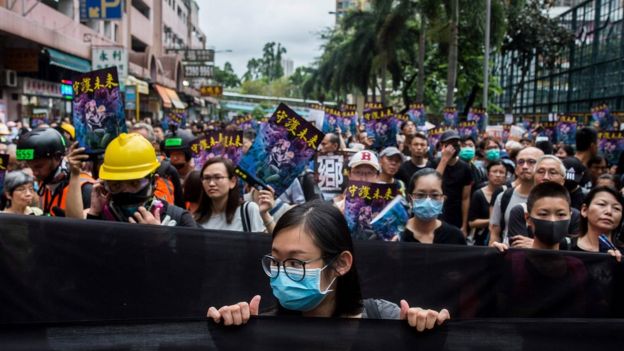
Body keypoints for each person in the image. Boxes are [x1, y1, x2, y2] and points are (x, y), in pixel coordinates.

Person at [207, 200, 450, 330]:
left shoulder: (385, 320)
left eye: (295, 262)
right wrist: (231, 333)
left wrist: (426, 329)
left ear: (341, 263)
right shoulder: (265, 326)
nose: (281, 273)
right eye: (276, 260)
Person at [65, 133, 196, 227]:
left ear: (154, 181)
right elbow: (74, 234)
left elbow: (194, 263)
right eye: (116, 185)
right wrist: (94, 213)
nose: (126, 191)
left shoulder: (179, 219)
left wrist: (161, 240)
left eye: (134, 183)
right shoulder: (100, 214)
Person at [505, 156, 581, 248]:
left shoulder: (575, 215)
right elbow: (519, 245)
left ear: (562, 180)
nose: (545, 177)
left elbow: (577, 245)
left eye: (552, 172)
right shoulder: (519, 211)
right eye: (540, 172)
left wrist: (534, 244)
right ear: (528, 217)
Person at [16, 127, 93, 216]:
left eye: (39, 166)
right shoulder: (45, 183)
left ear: (57, 157)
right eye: (31, 167)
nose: (35, 173)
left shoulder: (86, 188)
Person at [195, 157, 274, 233]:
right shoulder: (196, 219)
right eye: (207, 178)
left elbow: (272, 243)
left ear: (232, 181)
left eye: (218, 177)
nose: (211, 183)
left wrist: (264, 214)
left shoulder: (248, 209)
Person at [492, 182, 573, 252]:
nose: (552, 220)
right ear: (528, 218)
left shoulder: (575, 266)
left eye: (561, 214)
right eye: (543, 214)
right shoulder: (511, 261)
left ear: (570, 216)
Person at [489, 147, 544, 246]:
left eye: (531, 162)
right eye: (521, 162)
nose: (525, 166)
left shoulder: (550, 198)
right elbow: (494, 234)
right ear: (516, 168)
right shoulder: (503, 197)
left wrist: (537, 245)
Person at [402, 168, 466, 245]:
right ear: (410, 199)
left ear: (443, 199)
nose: (428, 200)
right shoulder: (399, 234)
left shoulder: (454, 236)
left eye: (435, 195)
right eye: (420, 195)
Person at [568, 186, 623, 261]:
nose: (609, 212)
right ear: (584, 210)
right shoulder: (565, 246)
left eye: (616, 208)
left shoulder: (621, 254)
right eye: (601, 204)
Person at [435, 130, 473, 235]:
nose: (453, 147)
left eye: (456, 144)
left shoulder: (465, 168)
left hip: (456, 216)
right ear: (442, 146)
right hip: (437, 212)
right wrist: (444, 160)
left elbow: (465, 198)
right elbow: (433, 183)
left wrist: (464, 226)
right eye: (449, 144)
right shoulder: (434, 163)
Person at [468, 161, 507, 246]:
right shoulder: (478, 194)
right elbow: (472, 223)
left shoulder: (508, 193)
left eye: (501, 172)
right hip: (482, 238)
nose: (498, 175)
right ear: (488, 174)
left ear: (505, 176)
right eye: (494, 171)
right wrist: (494, 221)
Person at [574, 127, 598, 192]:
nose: (598, 147)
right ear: (592, 145)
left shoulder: (586, 167)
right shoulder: (573, 166)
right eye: (597, 144)